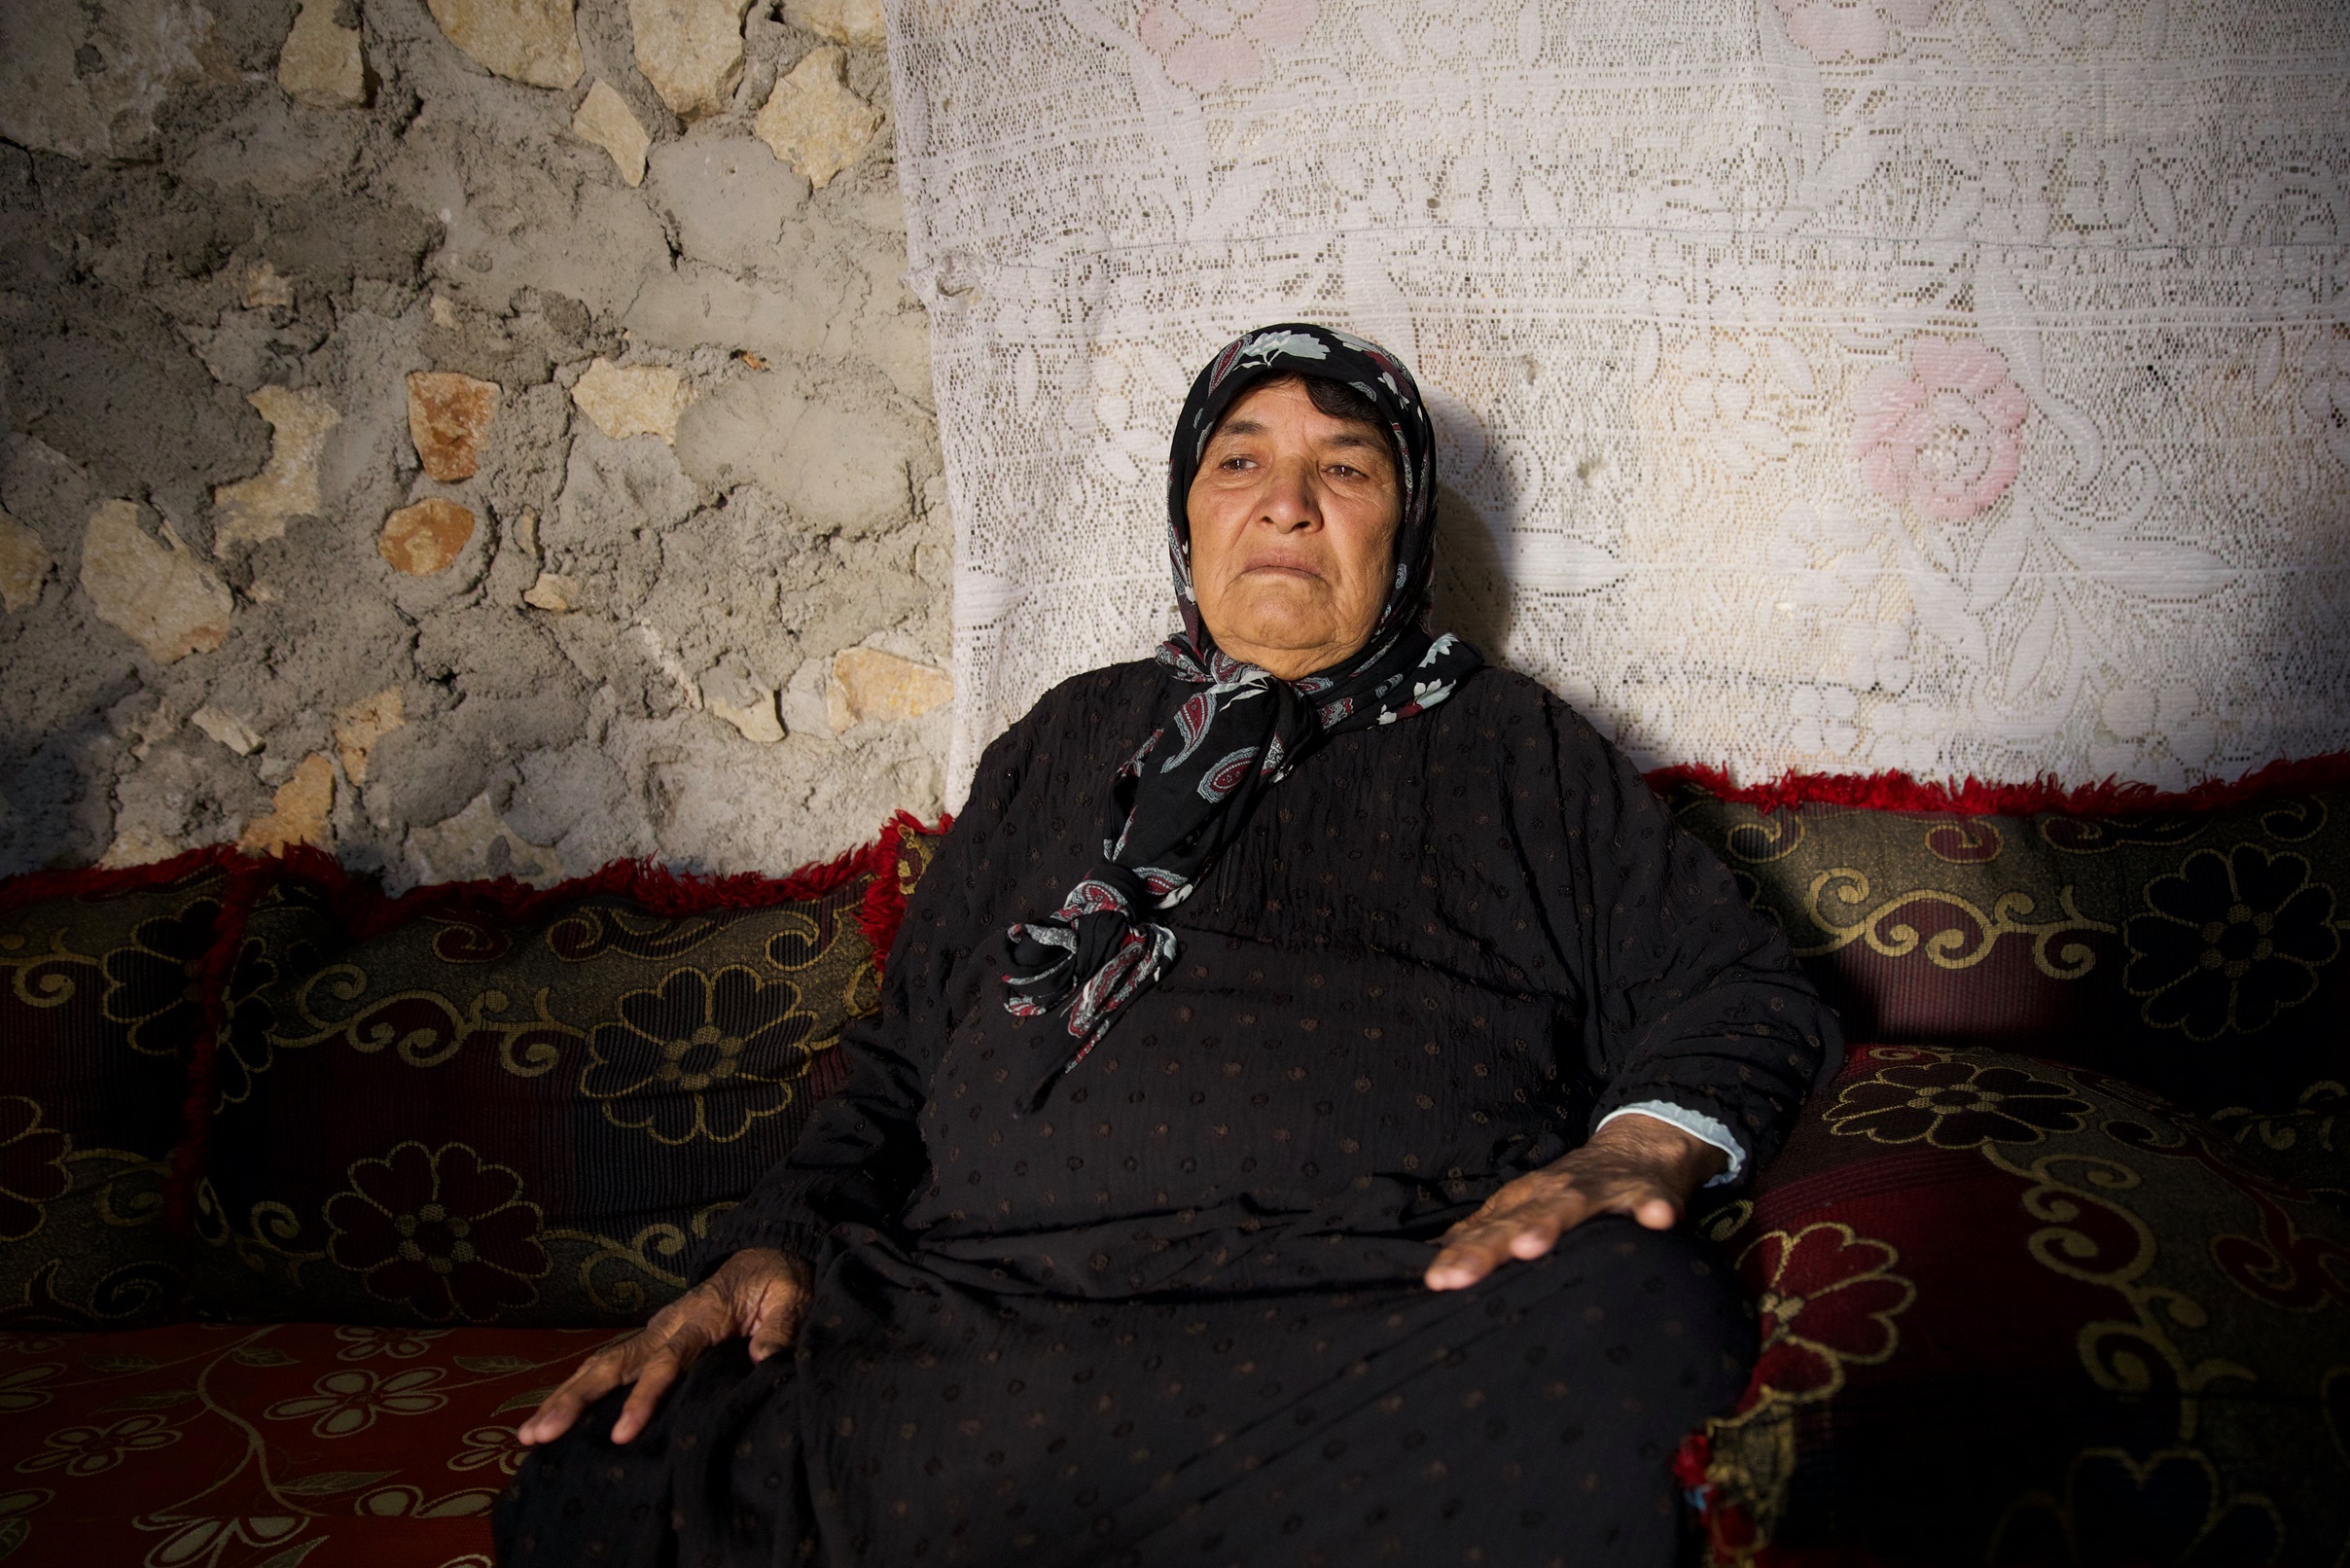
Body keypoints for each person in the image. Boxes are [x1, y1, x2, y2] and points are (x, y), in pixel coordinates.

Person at [495, 323, 1841, 1566]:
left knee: (1640, 1319)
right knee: (601, 1471)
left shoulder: (1515, 749)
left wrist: (1629, 1151)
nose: (1287, 502)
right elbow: (899, 1064)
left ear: (1409, 527)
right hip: (978, 1320)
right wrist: (771, 1242)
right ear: (1187, 516)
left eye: (1347, 469)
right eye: (1240, 460)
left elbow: (1740, 991)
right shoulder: (1070, 740)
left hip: (1359, 1311)